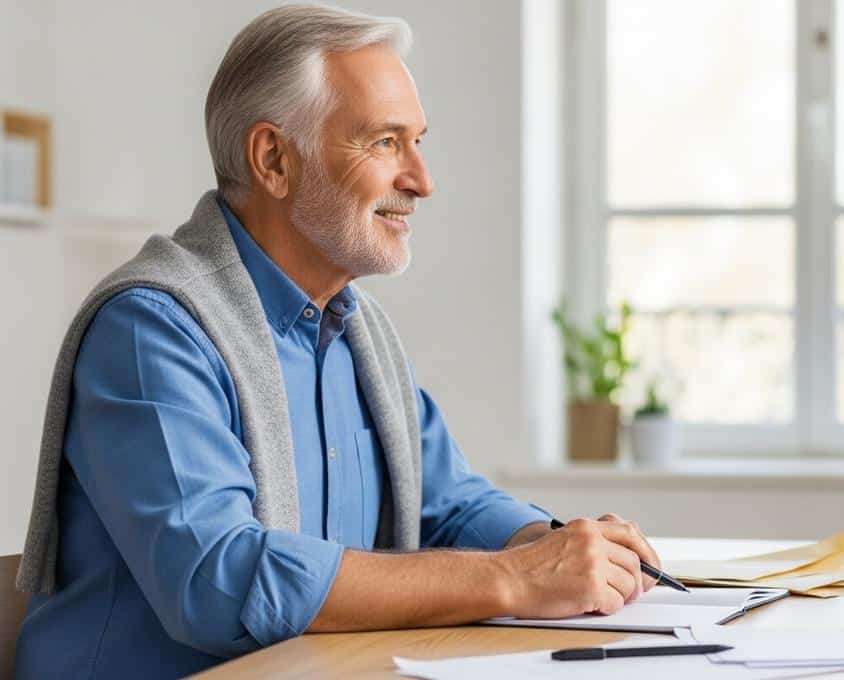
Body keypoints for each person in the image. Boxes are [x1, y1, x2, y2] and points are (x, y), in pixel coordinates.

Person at [13, 5, 660, 678]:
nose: (422, 179)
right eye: (385, 142)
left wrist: (561, 547)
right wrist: (515, 580)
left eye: (419, 141)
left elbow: (449, 503)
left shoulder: (359, 333)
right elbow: (217, 578)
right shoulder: (152, 328)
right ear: (273, 159)